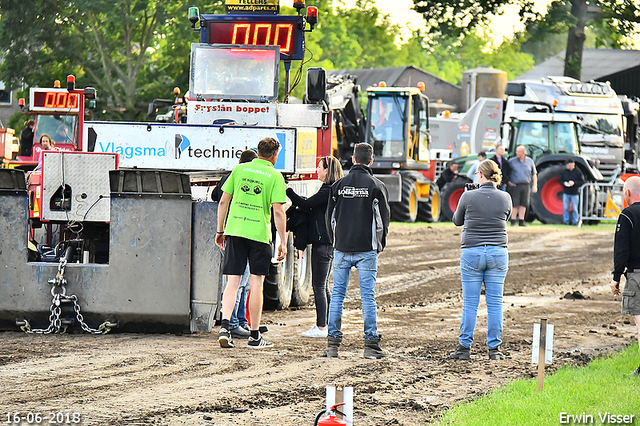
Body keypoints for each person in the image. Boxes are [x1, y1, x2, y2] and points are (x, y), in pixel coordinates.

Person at [216, 137, 287, 349]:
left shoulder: (239, 171)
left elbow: (223, 201)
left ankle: (225, 327)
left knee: (233, 282)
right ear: (275, 155)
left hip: (235, 231)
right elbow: (278, 210)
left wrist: (220, 230)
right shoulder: (275, 176)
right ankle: (254, 336)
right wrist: (282, 240)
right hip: (259, 234)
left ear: (258, 152)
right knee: (256, 283)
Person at [323, 143, 390, 359]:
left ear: (353, 160)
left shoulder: (338, 186)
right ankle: (371, 345)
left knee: (338, 297)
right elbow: (383, 221)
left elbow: (329, 218)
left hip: (341, 248)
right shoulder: (377, 186)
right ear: (371, 161)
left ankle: (332, 346)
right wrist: (379, 245)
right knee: (367, 297)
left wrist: (335, 241)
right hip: (366, 251)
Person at [450, 160, 512, 361]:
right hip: (497, 252)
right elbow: (506, 217)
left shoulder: (468, 196)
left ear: (480, 175)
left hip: (472, 252)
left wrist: (468, 197)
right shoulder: (505, 197)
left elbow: (457, 221)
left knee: (470, 304)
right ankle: (494, 349)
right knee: (495, 303)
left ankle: (464, 347)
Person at [286, 156, 344, 338]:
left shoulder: (327, 191)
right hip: (328, 244)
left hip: (322, 244)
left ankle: (321, 327)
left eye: (319, 167)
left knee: (318, 286)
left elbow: (305, 204)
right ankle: (326, 325)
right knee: (323, 286)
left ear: (327, 171)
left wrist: (288, 190)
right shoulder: (331, 190)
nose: (317, 170)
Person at [211, 149, 258, 339]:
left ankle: (241, 321)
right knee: (240, 281)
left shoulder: (231, 176)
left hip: (232, 230)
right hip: (244, 230)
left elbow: (216, 196)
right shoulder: (245, 176)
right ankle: (236, 323)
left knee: (239, 281)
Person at [610, 176, 640, 376]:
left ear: (628, 193)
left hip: (637, 275)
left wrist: (616, 278)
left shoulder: (627, 215)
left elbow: (622, 250)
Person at [507, 145, 537, 226]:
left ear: (524, 152)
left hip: (526, 185)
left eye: (519, 152)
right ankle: (513, 220)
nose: (517, 153)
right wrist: (509, 182)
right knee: (515, 203)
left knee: (524, 204)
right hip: (515, 185)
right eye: (517, 152)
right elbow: (506, 173)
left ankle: (521, 220)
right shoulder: (511, 161)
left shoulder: (530, 161)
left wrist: (535, 185)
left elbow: (534, 174)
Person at [560, 159, 584, 226]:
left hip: (574, 193)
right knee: (565, 208)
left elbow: (582, 181)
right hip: (566, 192)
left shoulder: (578, 172)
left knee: (575, 208)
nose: (566, 165)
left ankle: (575, 221)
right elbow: (560, 180)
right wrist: (564, 183)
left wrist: (574, 183)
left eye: (568, 164)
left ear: (572, 164)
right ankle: (566, 221)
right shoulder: (564, 172)